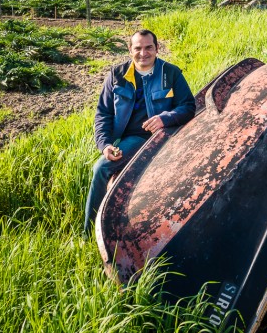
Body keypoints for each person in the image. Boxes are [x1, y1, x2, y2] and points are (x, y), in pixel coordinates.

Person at [83, 29, 195, 233]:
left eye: (148, 47)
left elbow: (188, 106)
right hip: (127, 139)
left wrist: (164, 118)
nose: (143, 53)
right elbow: (103, 114)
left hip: (158, 137)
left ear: (157, 48)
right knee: (101, 168)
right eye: (138, 48)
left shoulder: (171, 73)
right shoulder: (116, 76)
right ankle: (90, 232)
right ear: (130, 50)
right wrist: (105, 145)